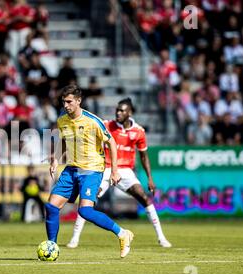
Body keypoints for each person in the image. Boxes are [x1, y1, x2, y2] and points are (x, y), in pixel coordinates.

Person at [66, 98, 172, 249]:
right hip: (105, 168)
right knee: (88, 199)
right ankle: (74, 238)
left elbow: (144, 156)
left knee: (143, 197)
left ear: (130, 112)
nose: (118, 113)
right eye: (117, 110)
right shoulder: (107, 125)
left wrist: (150, 178)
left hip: (125, 171)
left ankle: (161, 238)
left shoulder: (139, 131)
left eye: (122, 110)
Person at [45, 85, 134, 258]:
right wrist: (56, 158)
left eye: (69, 101)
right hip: (71, 169)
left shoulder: (93, 121)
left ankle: (123, 234)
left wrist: (114, 170)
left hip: (92, 170)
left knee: (85, 211)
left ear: (79, 101)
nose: (66, 105)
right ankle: (52, 247)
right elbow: (64, 140)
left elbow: (111, 143)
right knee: (51, 206)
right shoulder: (62, 120)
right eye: (64, 101)